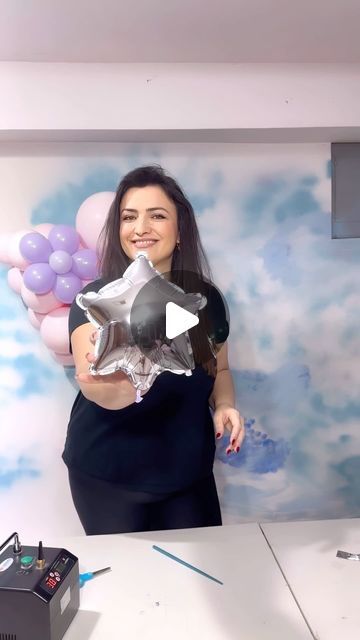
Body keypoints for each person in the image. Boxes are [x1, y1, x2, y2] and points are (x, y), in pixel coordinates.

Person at [62, 165, 245, 535]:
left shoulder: (205, 300)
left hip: (188, 473)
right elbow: (102, 392)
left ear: (180, 232)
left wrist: (224, 404)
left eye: (157, 215)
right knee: (131, 587)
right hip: (108, 476)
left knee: (202, 573)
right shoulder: (96, 302)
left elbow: (218, 370)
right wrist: (114, 383)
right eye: (130, 217)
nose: (140, 228)